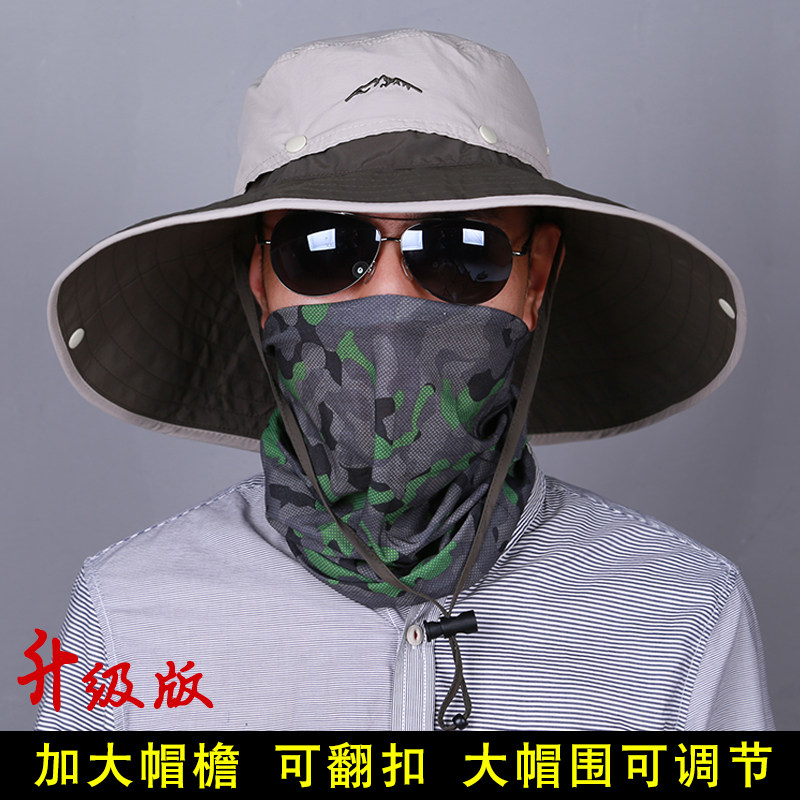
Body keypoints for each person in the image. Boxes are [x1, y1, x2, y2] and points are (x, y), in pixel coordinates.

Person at [39, 29, 772, 730]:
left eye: (460, 250)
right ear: (260, 282)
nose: (391, 302)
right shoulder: (131, 608)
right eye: (323, 247)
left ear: (537, 278)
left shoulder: (681, 609)